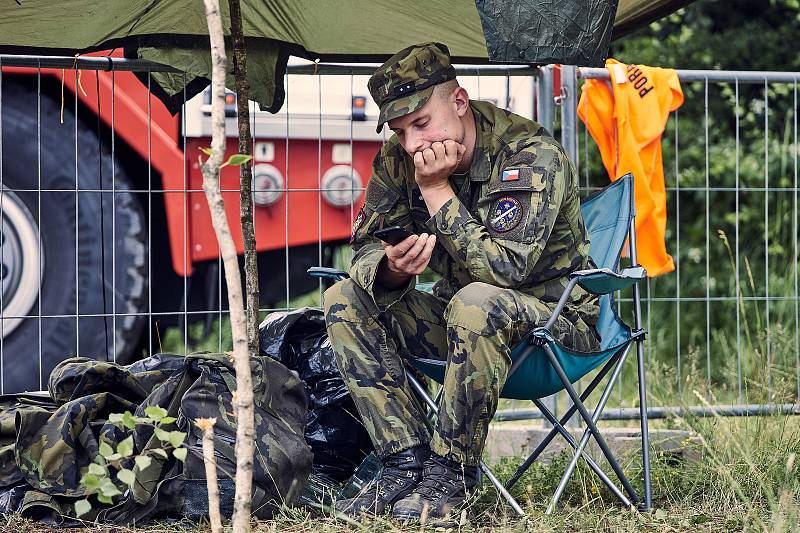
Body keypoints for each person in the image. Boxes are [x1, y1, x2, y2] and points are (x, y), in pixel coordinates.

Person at [324, 42, 600, 523]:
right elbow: (364, 247)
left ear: (459, 102)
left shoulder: (531, 154)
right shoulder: (398, 160)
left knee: (476, 302)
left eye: (421, 124)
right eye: (400, 131)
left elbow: (505, 271)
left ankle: (451, 476)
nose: (411, 145)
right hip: (460, 322)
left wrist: (435, 190)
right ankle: (404, 464)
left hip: (555, 326)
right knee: (344, 297)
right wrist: (391, 267)